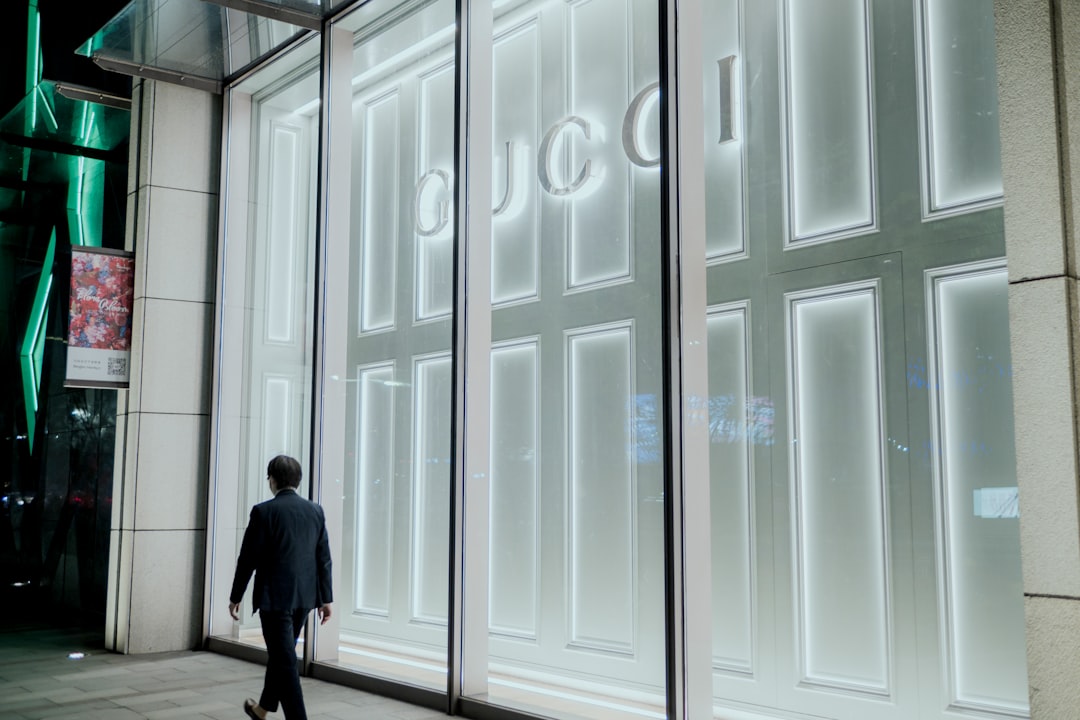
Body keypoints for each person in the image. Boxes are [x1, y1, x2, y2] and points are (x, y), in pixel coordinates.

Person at [229, 455, 333, 720]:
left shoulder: (263, 512)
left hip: (274, 599)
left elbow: (248, 557)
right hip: (304, 598)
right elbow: (323, 558)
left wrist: (236, 595)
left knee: (284, 660)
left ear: (272, 480)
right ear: (297, 481)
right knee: (281, 656)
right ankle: (262, 710)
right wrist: (326, 599)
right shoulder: (315, 510)